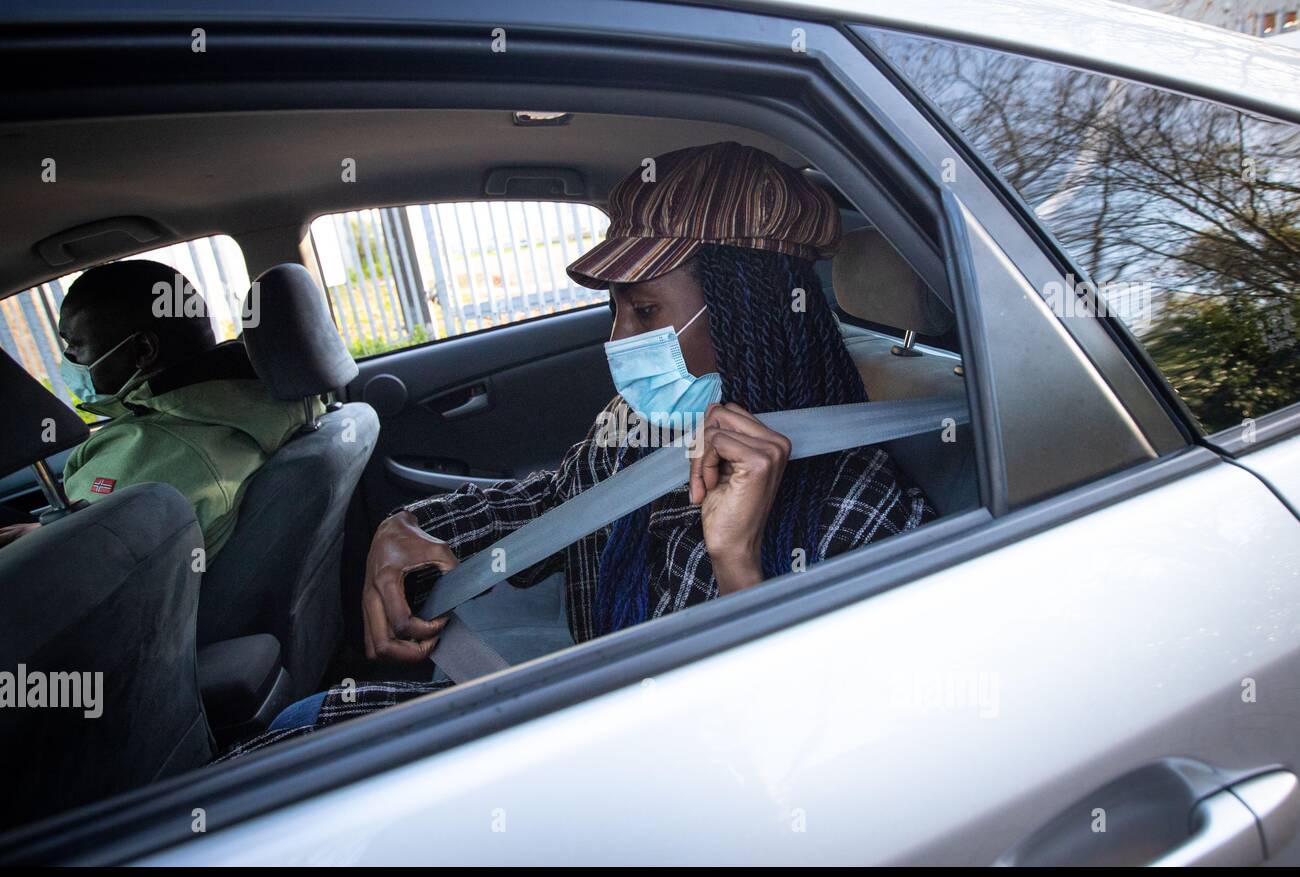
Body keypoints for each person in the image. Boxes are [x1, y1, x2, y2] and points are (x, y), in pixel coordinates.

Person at [227, 140, 936, 750]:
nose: (617, 339)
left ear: (750, 305)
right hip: (586, 712)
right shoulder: (650, 426)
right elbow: (558, 500)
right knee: (298, 721)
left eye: (646, 309)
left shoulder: (853, 505)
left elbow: (800, 755)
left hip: (653, 774)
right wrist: (411, 528)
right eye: (618, 308)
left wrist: (736, 563)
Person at [0, 260, 318, 558]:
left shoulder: (173, 448)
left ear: (143, 350)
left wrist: (42, 536)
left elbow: (90, 559)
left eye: (75, 344)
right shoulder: (252, 403)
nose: (68, 359)